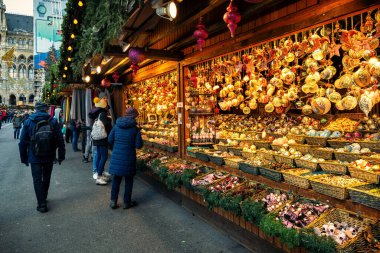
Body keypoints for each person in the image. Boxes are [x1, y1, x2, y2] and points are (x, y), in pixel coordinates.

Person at [19, 102, 65, 213]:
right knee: (46, 177)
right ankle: (43, 196)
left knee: (37, 180)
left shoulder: (28, 121)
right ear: (46, 109)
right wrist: (61, 156)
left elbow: (22, 142)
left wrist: (24, 158)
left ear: (35, 109)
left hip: (34, 156)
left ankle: (41, 204)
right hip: (49, 155)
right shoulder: (53, 121)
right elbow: (60, 140)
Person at [108, 107, 143, 209]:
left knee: (116, 179)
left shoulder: (116, 126)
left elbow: (110, 140)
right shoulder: (135, 129)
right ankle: (127, 202)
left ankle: (113, 201)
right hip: (129, 157)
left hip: (116, 157)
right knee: (128, 181)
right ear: (134, 116)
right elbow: (138, 145)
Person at [89, 95, 111, 185]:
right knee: (104, 156)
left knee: (99, 156)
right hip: (102, 138)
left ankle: (99, 173)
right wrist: (109, 121)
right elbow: (105, 125)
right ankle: (99, 176)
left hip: (96, 138)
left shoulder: (97, 113)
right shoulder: (103, 114)